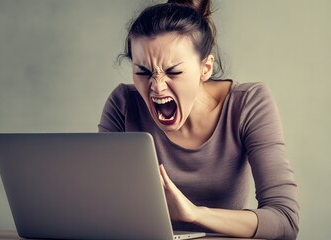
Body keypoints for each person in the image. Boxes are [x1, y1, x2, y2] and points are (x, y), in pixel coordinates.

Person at [98, 0, 300, 239]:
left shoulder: (249, 103)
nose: (157, 87)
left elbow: (285, 220)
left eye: (173, 71)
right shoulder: (123, 104)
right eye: (143, 72)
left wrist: (194, 214)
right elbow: (103, 208)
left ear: (205, 68)